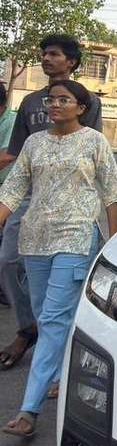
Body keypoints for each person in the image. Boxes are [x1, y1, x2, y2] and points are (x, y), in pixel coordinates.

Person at [0, 80, 117, 437]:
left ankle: (29, 409)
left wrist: (113, 241)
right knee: (46, 314)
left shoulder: (94, 141)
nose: (54, 105)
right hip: (35, 239)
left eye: (63, 100)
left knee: (53, 319)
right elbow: (14, 188)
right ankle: (58, 373)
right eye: (51, 100)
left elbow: (112, 192)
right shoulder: (34, 143)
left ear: (81, 107)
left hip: (77, 236)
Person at [0, 35, 102, 369]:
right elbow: (15, 153)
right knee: (8, 260)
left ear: (71, 61)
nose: (46, 58)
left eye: (54, 54)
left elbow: (92, 150)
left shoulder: (87, 100)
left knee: (67, 274)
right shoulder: (30, 103)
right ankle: (28, 328)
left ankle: (60, 343)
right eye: (44, 53)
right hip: (30, 194)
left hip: (71, 200)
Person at [0, 83, 16, 306]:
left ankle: (6, 289)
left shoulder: (12, 121)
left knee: (7, 244)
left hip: (10, 189)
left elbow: (7, 156)